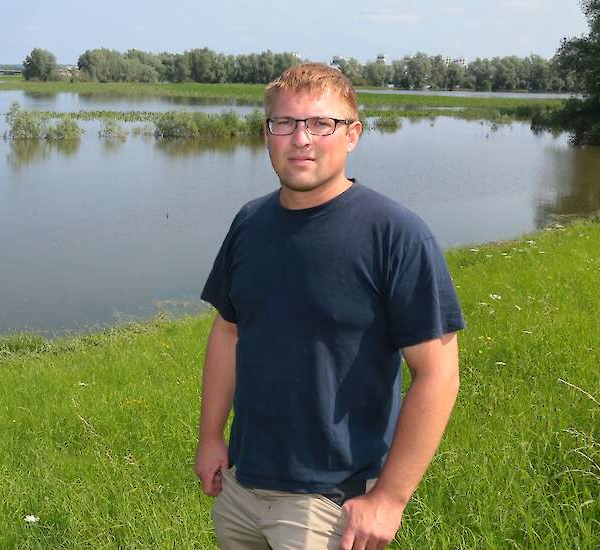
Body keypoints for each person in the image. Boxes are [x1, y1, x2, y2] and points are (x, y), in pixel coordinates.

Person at [194, 62, 465, 550]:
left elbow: (439, 373)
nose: (301, 138)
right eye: (285, 123)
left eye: (321, 123)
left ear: (353, 134)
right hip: (240, 487)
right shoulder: (249, 223)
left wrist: (390, 499)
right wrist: (211, 436)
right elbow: (228, 332)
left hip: (326, 507)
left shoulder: (395, 235)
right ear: (267, 133)